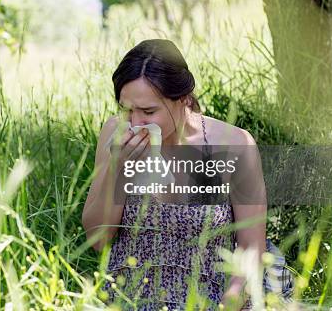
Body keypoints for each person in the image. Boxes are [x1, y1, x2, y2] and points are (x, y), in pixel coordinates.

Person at [81, 39, 267, 310]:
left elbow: (252, 249)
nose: (135, 123)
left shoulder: (233, 144)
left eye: (148, 111)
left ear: (183, 99)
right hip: (130, 300)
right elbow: (99, 240)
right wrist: (117, 169)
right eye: (126, 110)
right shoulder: (115, 134)